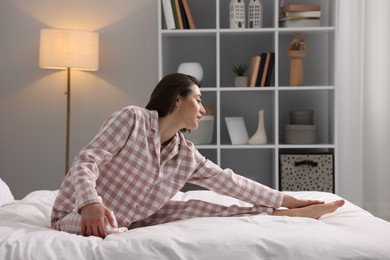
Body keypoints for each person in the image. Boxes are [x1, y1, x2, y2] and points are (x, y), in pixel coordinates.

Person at [51, 73, 344, 238]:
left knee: (204, 207)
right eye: (199, 100)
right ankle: (285, 212)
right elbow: (86, 160)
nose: (203, 110)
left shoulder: (186, 155)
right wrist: (90, 202)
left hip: (136, 217)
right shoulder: (133, 119)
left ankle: (283, 214)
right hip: (77, 212)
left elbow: (232, 183)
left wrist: (287, 199)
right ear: (177, 98)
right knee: (107, 225)